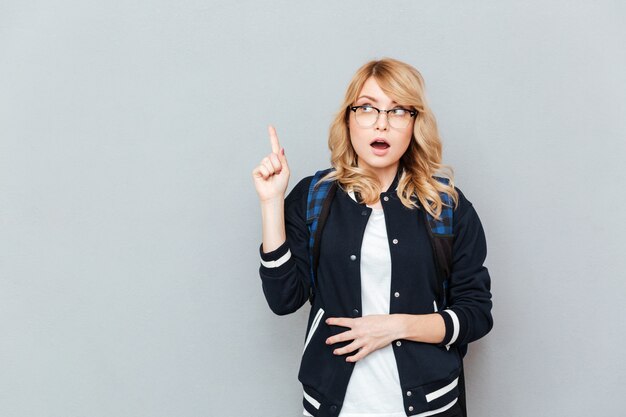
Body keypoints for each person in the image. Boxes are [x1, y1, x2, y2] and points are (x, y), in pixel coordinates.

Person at [252, 58, 493, 417]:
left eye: (398, 111)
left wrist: (395, 326)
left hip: (431, 407)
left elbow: (476, 313)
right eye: (367, 108)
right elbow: (284, 299)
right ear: (348, 119)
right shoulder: (314, 198)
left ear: (414, 123)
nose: (381, 122)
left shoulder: (446, 207)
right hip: (333, 406)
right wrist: (271, 203)